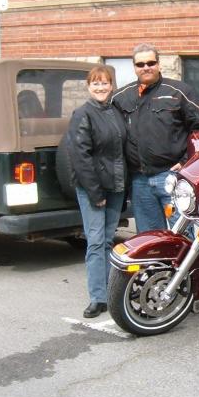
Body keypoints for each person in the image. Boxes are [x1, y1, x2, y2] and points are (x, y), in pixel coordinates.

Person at [112, 43, 199, 232]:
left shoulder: (179, 92)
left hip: (171, 177)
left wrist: (186, 161)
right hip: (140, 181)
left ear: (159, 64)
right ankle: (155, 264)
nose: (146, 67)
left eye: (151, 62)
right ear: (134, 67)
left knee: (181, 236)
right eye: (140, 64)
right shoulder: (121, 97)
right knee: (150, 238)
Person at [66, 65, 128, 318]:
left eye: (105, 83)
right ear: (88, 86)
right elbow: (80, 157)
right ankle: (97, 298)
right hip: (95, 189)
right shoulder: (83, 114)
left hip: (116, 187)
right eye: (96, 83)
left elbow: (121, 152)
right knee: (95, 242)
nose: (101, 87)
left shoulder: (115, 112)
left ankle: (107, 293)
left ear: (111, 85)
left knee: (107, 241)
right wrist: (95, 192)